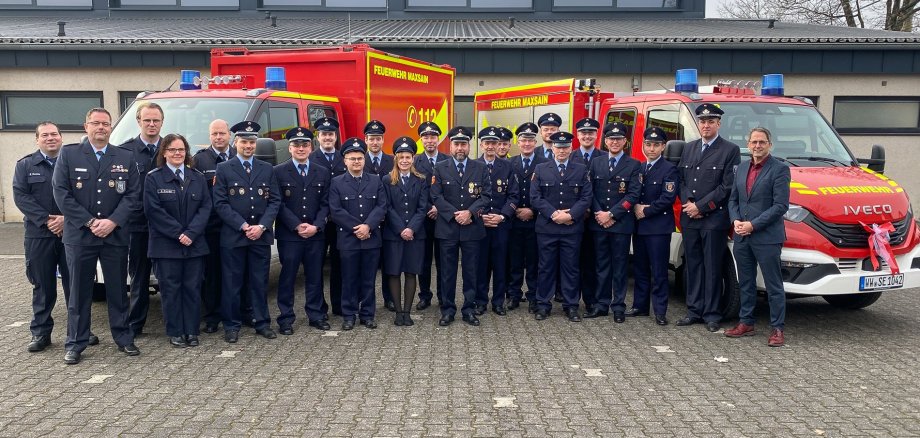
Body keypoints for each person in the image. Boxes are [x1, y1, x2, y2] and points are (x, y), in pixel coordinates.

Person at [52, 107, 141, 365]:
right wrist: (90, 221)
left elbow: (133, 194)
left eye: (105, 123)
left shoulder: (124, 156)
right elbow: (61, 193)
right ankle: (75, 343)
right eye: (96, 123)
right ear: (86, 127)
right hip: (81, 236)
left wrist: (112, 221)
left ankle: (123, 337)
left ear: (111, 127)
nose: (101, 127)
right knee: (79, 292)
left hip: (114, 235)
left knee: (117, 290)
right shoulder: (69, 154)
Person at [13, 121, 98, 352]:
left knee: (76, 285)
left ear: (61, 137)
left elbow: (86, 196)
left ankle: (80, 331)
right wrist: (47, 220)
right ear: (37, 139)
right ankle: (41, 333)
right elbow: (21, 197)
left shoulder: (75, 162)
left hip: (73, 233)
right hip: (39, 235)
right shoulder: (25, 165)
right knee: (43, 285)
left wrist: (66, 219)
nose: (50, 138)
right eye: (45, 135)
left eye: (54, 134)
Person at [212, 121, 281, 343]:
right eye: (244, 142)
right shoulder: (224, 169)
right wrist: (243, 226)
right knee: (232, 284)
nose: (248, 146)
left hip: (260, 236)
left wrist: (262, 226)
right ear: (236, 143)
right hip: (234, 237)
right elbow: (220, 203)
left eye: (252, 142)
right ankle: (231, 326)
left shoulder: (266, 169)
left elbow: (275, 201)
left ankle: (262, 323)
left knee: (259, 282)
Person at [676, 103, 741, 333]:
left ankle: (712, 314)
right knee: (693, 266)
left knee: (713, 267)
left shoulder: (730, 150)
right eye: (702, 121)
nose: (706, 125)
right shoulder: (689, 148)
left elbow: (727, 186)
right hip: (690, 218)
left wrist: (701, 207)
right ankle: (694, 311)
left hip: (713, 219)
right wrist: (688, 203)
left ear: (718, 124)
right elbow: (681, 180)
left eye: (710, 121)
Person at [144, 133, 211, 347]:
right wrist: (178, 233)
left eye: (181, 149)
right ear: (164, 152)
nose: (177, 153)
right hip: (166, 246)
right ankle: (175, 332)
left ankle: (191, 331)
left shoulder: (197, 177)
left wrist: (191, 233)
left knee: (192, 288)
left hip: (194, 244)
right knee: (170, 290)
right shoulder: (153, 178)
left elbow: (205, 207)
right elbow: (153, 211)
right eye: (172, 149)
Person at [725, 127, 791, 347]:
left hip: (767, 237)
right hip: (742, 236)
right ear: (748, 144)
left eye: (762, 142)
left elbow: (780, 206)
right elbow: (733, 200)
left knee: (774, 285)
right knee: (745, 282)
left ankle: (777, 328)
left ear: (770, 144)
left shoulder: (780, 169)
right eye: (754, 142)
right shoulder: (741, 168)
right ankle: (746, 322)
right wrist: (735, 220)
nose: (757, 146)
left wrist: (753, 225)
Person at [430, 126, 492, 327]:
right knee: (447, 272)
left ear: (469, 146)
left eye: (463, 144)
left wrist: (470, 213)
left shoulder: (480, 168)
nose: (460, 148)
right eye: (456, 144)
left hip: (472, 228)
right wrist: (454, 214)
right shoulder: (440, 167)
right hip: (448, 228)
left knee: (471, 272)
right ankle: (448, 310)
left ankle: (469, 309)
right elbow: (436, 196)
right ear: (451, 146)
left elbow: (486, 196)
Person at [530, 131, 592, 322]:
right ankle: (543, 304)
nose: (562, 150)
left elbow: (586, 197)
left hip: (571, 228)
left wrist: (570, 215)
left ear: (571, 148)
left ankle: (571, 306)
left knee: (571, 268)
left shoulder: (581, 169)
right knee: (545, 267)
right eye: (558, 147)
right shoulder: (541, 169)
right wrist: (554, 214)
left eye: (565, 147)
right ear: (553, 149)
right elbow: (535, 197)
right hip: (547, 228)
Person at [274, 127, 332, 333]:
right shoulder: (278, 172)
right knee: (288, 277)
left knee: (315, 276)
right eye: (296, 145)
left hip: (315, 234)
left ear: (311, 147)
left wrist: (316, 225)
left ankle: (316, 315)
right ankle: (285, 318)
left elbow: (326, 203)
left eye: (305, 145)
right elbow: (278, 203)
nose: (301, 148)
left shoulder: (322, 172)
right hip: (290, 235)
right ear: (289, 148)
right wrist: (297, 225)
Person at [329, 138, 388, 330]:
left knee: (369, 279)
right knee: (349, 279)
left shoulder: (375, 180)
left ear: (364, 160)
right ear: (345, 161)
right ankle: (349, 315)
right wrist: (359, 228)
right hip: (348, 240)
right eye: (352, 158)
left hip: (371, 239)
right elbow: (336, 211)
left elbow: (381, 206)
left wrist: (368, 226)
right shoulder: (337, 182)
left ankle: (367, 314)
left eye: (360, 158)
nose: (356, 162)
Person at [585, 122, 641, 323]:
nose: (614, 142)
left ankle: (618, 306)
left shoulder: (634, 164)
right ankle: (601, 304)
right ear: (605, 141)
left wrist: (612, 214)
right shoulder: (596, 162)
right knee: (601, 266)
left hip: (620, 224)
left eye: (618, 139)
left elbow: (633, 195)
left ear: (625, 141)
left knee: (619, 267)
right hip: (598, 223)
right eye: (611, 139)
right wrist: (600, 213)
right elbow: (589, 191)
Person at [192, 119, 243, 333]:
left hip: (237, 227)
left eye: (222, 133)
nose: (219, 137)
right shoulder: (199, 160)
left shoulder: (240, 156)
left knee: (237, 273)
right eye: (214, 134)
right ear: (209, 136)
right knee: (212, 274)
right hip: (212, 227)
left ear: (229, 135)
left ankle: (239, 312)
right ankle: (212, 316)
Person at [121, 102, 163, 336]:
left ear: (162, 122)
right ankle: (135, 325)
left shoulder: (171, 148)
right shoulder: (125, 152)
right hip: (137, 225)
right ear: (138, 121)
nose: (151, 124)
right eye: (147, 120)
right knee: (138, 277)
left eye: (156, 120)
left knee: (167, 277)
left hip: (165, 227)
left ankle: (174, 323)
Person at [632, 126, 679, 326]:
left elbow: (668, 197)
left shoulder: (669, 169)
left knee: (659, 271)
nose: (651, 148)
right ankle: (640, 306)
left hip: (658, 228)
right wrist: (635, 206)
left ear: (663, 147)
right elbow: (633, 192)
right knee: (640, 269)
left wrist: (646, 210)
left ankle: (660, 310)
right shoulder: (640, 167)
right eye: (648, 144)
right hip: (639, 227)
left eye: (656, 145)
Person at [381, 136, 429, 326]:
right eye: (401, 157)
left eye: (408, 157)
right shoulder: (387, 180)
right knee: (394, 272)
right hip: (394, 235)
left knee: (411, 272)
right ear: (395, 158)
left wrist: (411, 228)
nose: (404, 160)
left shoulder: (421, 180)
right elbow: (387, 207)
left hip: (415, 235)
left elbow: (422, 208)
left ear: (413, 158)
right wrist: (401, 228)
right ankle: (398, 312)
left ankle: (407, 312)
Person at [474, 127, 519, 317]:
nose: (491, 146)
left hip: (501, 225)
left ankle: (498, 302)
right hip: (480, 225)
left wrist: (502, 216)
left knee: (501, 265)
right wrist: (480, 216)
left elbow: (513, 196)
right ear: (481, 145)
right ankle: (480, 301)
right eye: (487, 143)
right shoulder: (473, 166)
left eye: (494, 143)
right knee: (481, 266)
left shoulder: (507, 166)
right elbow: (468, 197)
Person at [309, 117, 347, 317]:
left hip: (340, 222)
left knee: (339, 265)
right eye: (324, 134)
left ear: (336, 136)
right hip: (319, 222)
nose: (327, 138)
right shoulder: (310, 158)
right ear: (318, 137)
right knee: (316, 266)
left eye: (331, 134)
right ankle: (319, 308)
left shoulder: (345, 157)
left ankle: (339, 305)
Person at [507, 122, 546, 313]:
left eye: (531, 140)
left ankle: (533, 297)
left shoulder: (544, 163)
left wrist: (533, 210)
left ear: (535, 142)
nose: (527, 144)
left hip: (535, 221)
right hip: (514, 221)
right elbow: (505, 192)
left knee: (533, 261)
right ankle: (513, 295)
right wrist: (513, 210)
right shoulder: (509, 163)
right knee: (514, 261)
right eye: (523, 140)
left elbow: (547, 194)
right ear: (518, 142)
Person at [412, 121, 449, 311]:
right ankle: (424, 295)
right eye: (425, 137)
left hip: (444, 218)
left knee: (443, 261)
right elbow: (415, 191)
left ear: (438, 139)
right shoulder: (415, 162)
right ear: (421, 140)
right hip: (423, 218)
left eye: (433, 137)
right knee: (424, 260)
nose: (429, 140)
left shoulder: (448, 160)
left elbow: (451, 191)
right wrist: (429, 208)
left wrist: (439, 208)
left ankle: (443, 296)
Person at [363, 120, 397, 312]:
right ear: (366, 140)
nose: (375, 142)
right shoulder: (359, 159)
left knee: (388, 260)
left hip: (388, 221)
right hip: (366, 220)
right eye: (371, 138)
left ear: (383, 140)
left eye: (378, 138)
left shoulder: (392, 161)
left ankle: (389, 298)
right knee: (368, 263)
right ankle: (365, 300)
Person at [573, 117, 602, 312]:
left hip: (596, 220)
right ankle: (572, 300)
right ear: (578, 135)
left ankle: (591, 300)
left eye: (590, 133)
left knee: (592, 261)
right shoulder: (568, 156)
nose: (587, 136)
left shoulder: (604, 157)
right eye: (583, 133)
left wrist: (593, 210)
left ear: (596, 135)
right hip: (574, 219)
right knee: (573, 262)